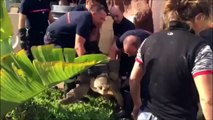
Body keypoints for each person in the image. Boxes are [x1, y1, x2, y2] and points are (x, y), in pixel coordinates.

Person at [129, 0, 213, 120]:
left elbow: (134, 79)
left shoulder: (148, 41)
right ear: (199, 17)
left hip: (147, 115)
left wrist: (137, 104)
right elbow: (207, 99)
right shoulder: (200, 48)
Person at [115, 29, 151, 119]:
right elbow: (113, 50)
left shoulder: (149, 44)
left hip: (147, 64)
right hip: (134, 62)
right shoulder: (122, 39)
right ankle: (126, 110)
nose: (128, 55)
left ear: (139, 49)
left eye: (130, 53)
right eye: (126, 52)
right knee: (127, 86)